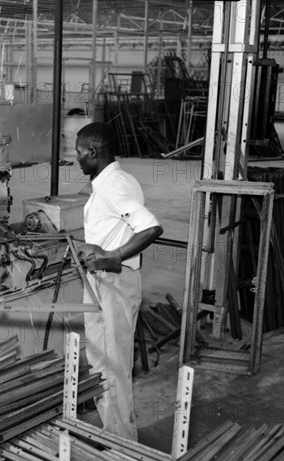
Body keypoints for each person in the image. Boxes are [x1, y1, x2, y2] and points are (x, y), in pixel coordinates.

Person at [75, 122, 163, 441]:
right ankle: (111, 433)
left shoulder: (114, 186)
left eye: (80, 153)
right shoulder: (115, 179)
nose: (78, 159)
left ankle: (124, 445)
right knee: (100, 360)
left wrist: (113, 256)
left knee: (113, 367)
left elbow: (150, 228)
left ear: (94, 152)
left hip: (114, 282)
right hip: (102, 281)